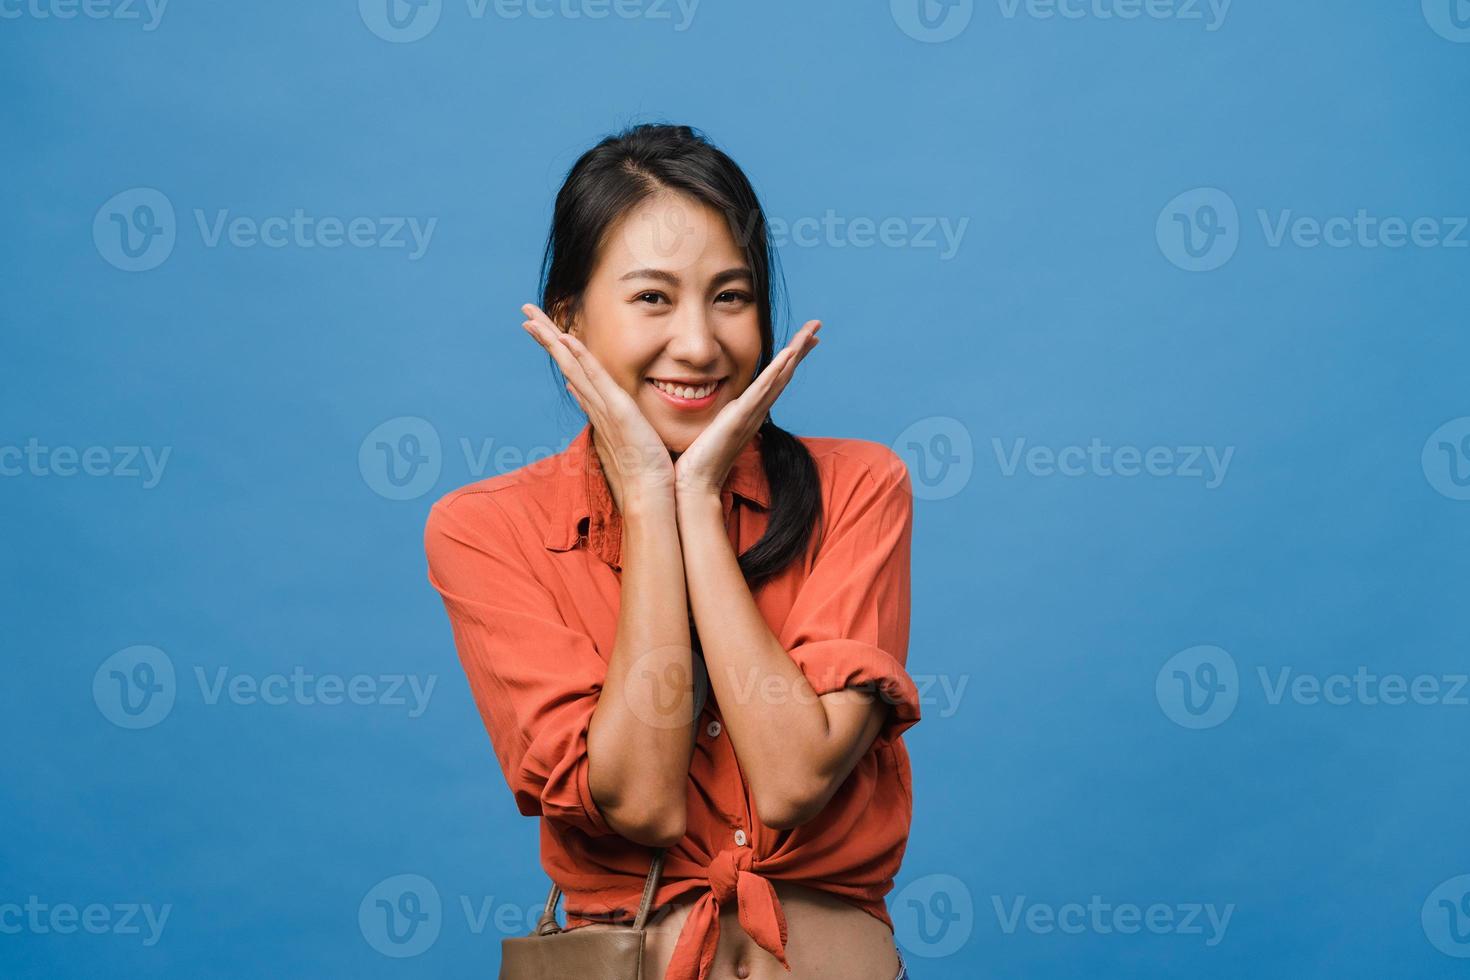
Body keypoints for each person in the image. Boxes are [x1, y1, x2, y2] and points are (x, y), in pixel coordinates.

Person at [424, 123, 919, 980]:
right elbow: (643, 802)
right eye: (653, 298)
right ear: (570, 317)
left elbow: (795, 778)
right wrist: (651, 502)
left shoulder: (859, 489)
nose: (698, 344)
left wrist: (696, 502)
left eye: (730, 296)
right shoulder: (484, 528)